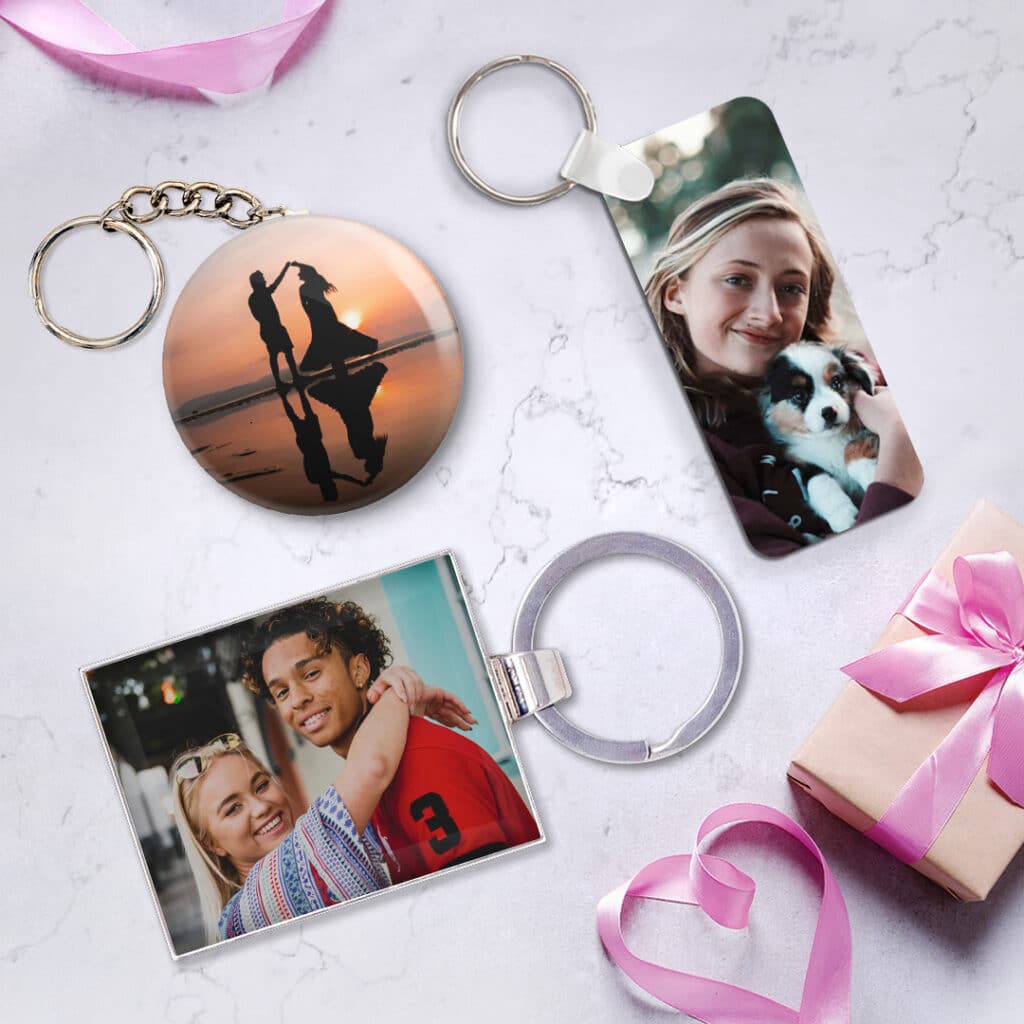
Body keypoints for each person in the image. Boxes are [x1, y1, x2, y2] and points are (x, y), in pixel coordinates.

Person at [644, 178, 923, 556]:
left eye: (791, 288)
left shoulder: (862, 383)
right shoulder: (681, 460)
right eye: (737, 280)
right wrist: (898, 451)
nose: (769, 313)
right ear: (677, 294)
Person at [240, 598, 541, 884]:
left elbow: (484, 894)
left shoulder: (420, 760)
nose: (298, 699)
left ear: (358, 670)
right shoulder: (369, 781)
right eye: (281, 692)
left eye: (311, 673)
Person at [172, 671, 473, 944]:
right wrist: (400, 690)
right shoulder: (250, 910)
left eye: (261, 785)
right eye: (232, 809)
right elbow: (375, 766)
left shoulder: (328, 846)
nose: (261, 806)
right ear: (211, 844)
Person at [247, 266, 301, 388]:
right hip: (270, 329)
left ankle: (291, 378)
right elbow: (257, 316)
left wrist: (286, 268)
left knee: (284, 351)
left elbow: (277, 282)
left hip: (272, 328)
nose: (264, 280)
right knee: (277, 354)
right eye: (262, 278)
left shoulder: (260, 294)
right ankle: (282, 381)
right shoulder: (258, 296)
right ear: (257, 282)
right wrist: (270, 324)